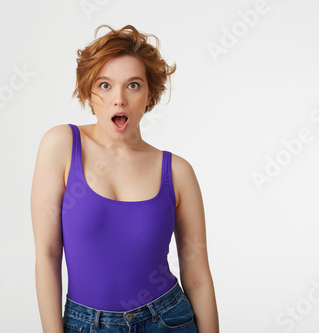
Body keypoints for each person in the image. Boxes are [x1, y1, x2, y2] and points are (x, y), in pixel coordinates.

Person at [31, 24, 219, 333]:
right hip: (86, 325)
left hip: (167, 320)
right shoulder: (61, 146)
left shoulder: (177, 172)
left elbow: (197, 277)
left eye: (133, 85)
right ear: (88, 92)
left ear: (149, 95)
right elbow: (47, 254)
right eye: (105, 85)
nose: (118, 99)